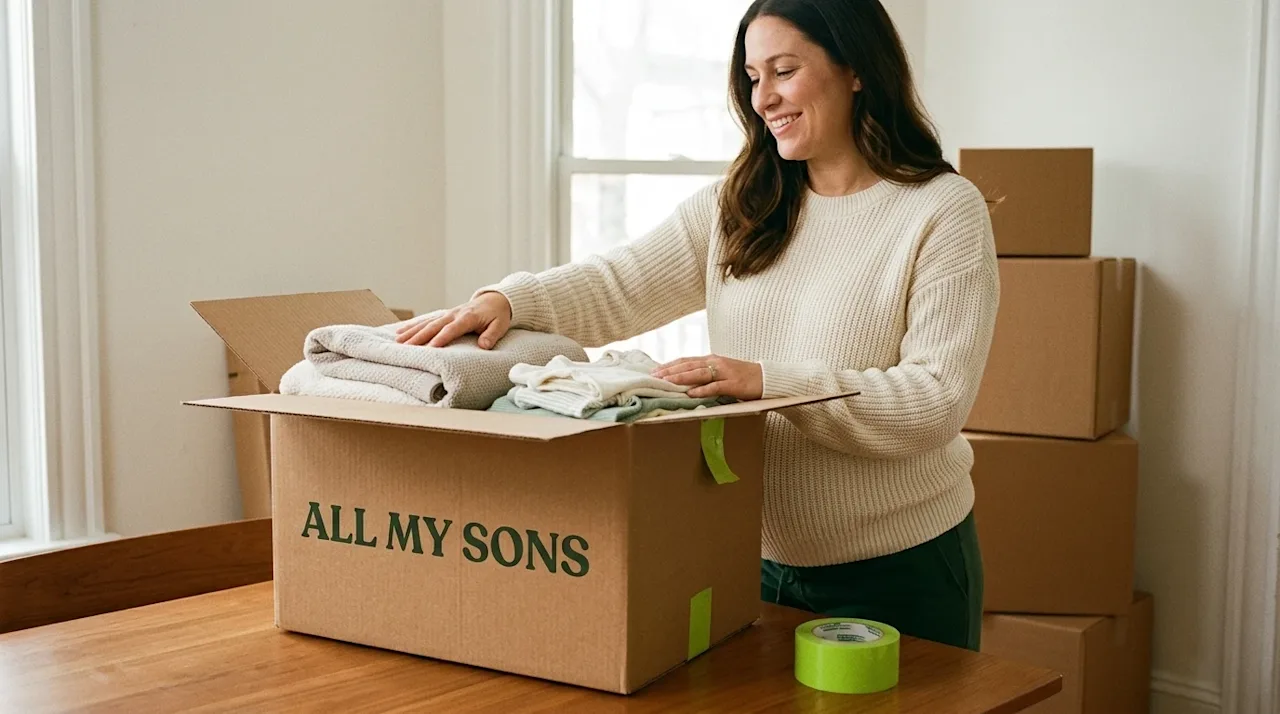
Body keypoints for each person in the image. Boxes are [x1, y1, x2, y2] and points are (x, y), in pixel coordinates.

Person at [397, 0, 998, 651]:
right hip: (750, 563)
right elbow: (618, 283)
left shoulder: (941, 211)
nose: (763, 97)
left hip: (899, 570)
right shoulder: (742, 202)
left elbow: (935, 401)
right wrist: (509, 302)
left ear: (856, 68)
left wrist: (767, 381)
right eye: (751, 76)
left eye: (784, 70)